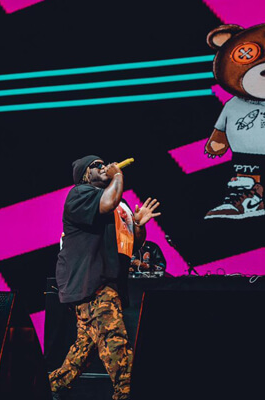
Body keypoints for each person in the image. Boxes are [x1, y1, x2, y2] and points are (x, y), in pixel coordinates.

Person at [49, 155, 161, 400]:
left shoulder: (119, 203)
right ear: (84, 174)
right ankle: (126, 393)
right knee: (114, 340)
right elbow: (107, 203)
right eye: (96, 165)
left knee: (85, 347)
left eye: (104, 164)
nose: (103, 167)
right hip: (91, 280)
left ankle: (53, 386)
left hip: (108, 280)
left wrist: (138, 225)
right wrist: (117, 175)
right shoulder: (80, 194)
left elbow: (131, 244)